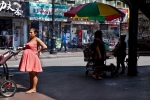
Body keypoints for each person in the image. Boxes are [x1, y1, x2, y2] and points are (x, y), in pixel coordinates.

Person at [17, 28, 47, 94]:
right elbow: (28, 47)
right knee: (30, 74)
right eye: (29, 32)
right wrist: (21, 48)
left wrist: (38, 51)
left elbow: (44, 46)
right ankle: (31, 87)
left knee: (34, 73)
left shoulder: (37, 39)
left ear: (35, 33)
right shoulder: (31, 39)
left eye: (31, 32)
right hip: (29, 58)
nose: (29, 33)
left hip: (33, 58)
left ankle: (34, 88)